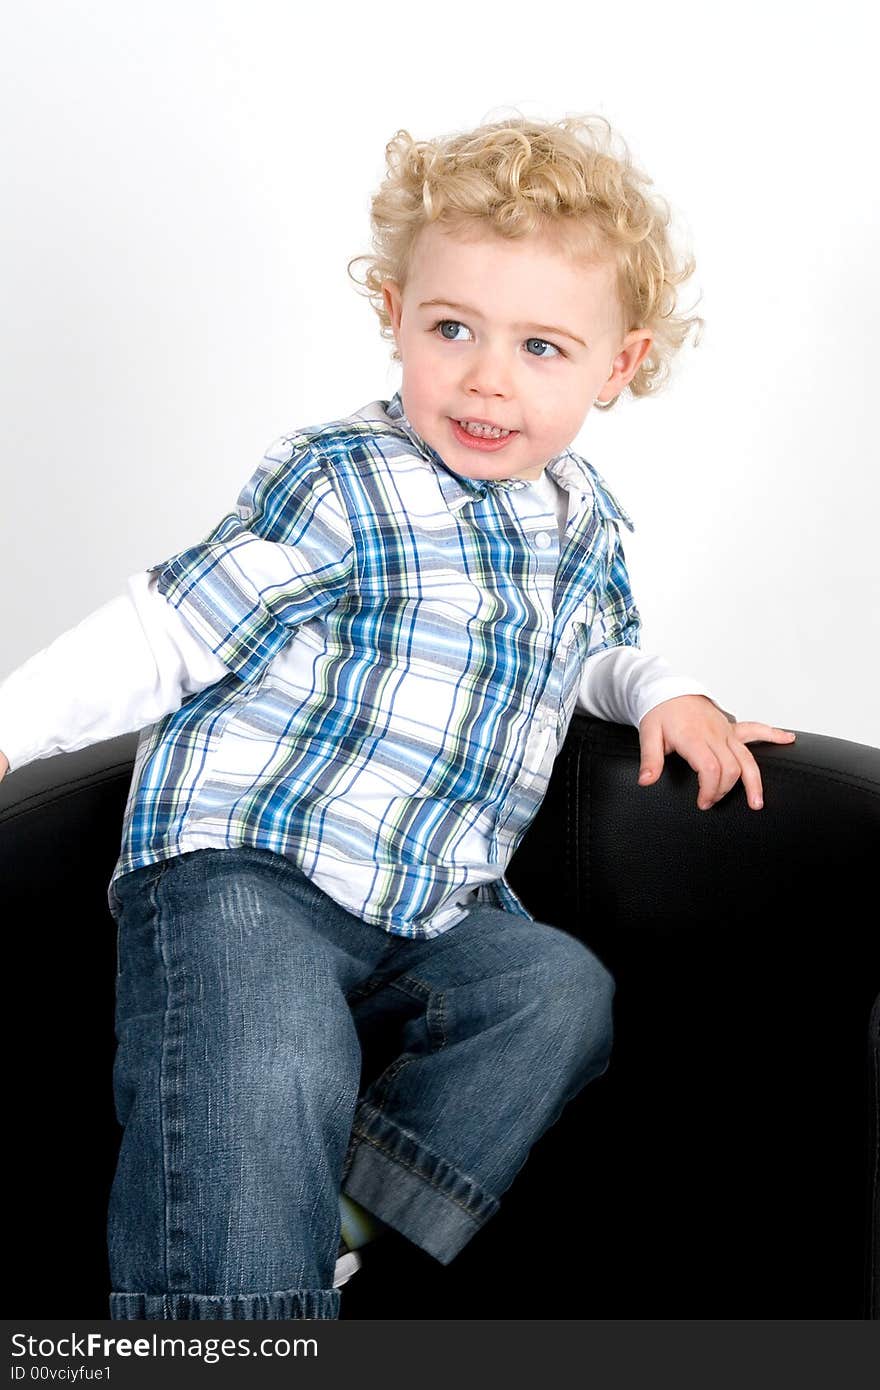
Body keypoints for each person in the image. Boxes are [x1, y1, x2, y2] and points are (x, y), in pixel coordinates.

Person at [0, 112, 796, 1320]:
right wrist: (11, 725)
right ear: (393, 315)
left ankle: (337, 1219)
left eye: (541, 346)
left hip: (431, 905)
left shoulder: (580, 517)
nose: (486, 377)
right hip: (251, 872)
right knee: (271, 1065)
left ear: (617, 367)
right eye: (452, 329)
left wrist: (662, 691)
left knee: (556, 991)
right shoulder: (344, 479)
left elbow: (595, 649)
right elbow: (168, 626)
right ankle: (225, 1323)